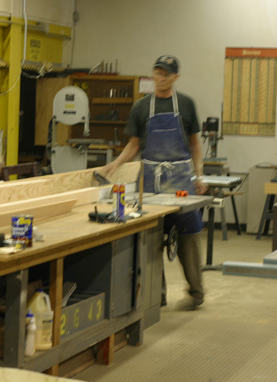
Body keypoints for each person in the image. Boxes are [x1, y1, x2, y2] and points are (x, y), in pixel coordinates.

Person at [102, 55, 207, 311]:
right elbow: (134, 145)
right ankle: (155, 294)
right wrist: (115, 165)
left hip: (181, 178)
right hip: (150, 181)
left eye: (166, 74)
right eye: (157, 73)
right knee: (150, 236)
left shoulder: (186, 104)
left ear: (175, 77)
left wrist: (199, 175)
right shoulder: (141, 107)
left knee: (190, 235)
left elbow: (194, 144)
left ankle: (196, 292)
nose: (160, 78)